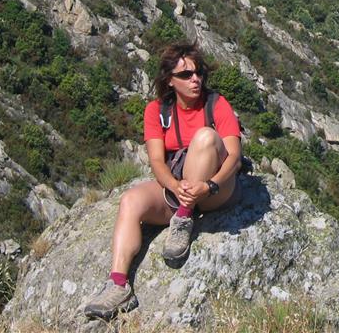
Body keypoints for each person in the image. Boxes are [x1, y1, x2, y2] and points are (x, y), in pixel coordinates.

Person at [84, 42, 242, 320]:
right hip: (179, 183)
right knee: (130, 201)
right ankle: (119, 284)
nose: (196, 79)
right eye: (186, 75)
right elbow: (157, 161)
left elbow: (234, 157)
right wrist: (173, 185)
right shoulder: (157, 111)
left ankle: (183, 218)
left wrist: (209, 185)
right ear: (170, 81)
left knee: (205, 137)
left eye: (199, 72)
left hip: (216, 188)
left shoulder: (216, 104)